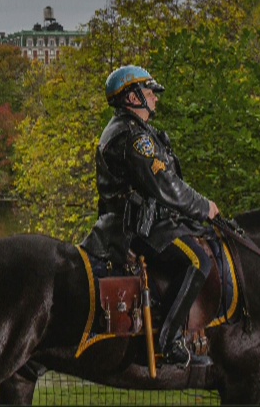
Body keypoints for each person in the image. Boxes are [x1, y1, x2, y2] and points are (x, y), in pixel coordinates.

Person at [79, 65, 218, 368]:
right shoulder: (132, 137)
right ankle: (170, 343)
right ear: (132, 97)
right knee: (198, 261)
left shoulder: (136, 131)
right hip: (138, 228)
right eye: (149, 91)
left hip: (146, 221)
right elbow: (166, 186)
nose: (155, 97)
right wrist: (204, 206)